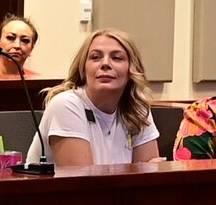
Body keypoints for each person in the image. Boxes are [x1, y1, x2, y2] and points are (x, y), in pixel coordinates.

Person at [26, 28, 161, 169]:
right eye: (95, 57)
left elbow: (149, 177)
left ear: (131, 70)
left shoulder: (137, 108)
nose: (105, 64)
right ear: (83, 68)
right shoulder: (66, 105)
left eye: (117, 58)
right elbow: (83, 184)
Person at [0, 14, 41, 79]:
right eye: (11, 38)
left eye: (25, 40)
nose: (17, 45)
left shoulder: (38, 81)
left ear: (32, 47)